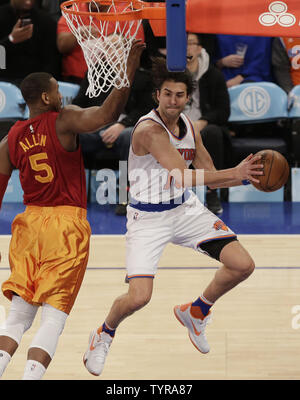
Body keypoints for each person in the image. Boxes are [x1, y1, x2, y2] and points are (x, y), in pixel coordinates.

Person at [82, 57, 263, 377]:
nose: (173, 100)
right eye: (167, 94)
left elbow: (207, 171)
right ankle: (103, 334)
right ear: (157, 95)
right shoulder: (149, 130)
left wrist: (245, 178)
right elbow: (181, 174)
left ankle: (197, 311)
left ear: (187, 98)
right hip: (147, 217)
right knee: (139, 298)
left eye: (179, 95)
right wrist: (233, 171)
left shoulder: (190, 127)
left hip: (183, 209)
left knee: (242, 265)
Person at [0, 39, 145, 380]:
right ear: (48, 98)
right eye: (57, 91)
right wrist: (129, 69)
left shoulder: (9, 139)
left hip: (28, 225)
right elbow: (108, 114)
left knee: (18, 315)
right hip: (65, 225)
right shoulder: (63, 120)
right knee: (54, 315)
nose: (62, 96)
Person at [185, 32, 232, 214]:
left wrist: (203, 121)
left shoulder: (213, 74)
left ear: (199, 48)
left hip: (202, 127)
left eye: (190, 43)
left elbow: (223, 111)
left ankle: (212, 191)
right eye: (182, 44)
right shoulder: (169, 74)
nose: (186, 48)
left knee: (212, 132)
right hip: (175, 125)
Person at [0, 0, 60, 85]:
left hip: (35, 85)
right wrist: (10, 39)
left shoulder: (46, 21)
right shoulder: (2, 16)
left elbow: (51, 60)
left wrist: (44, 83)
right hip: (4, 82)